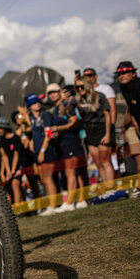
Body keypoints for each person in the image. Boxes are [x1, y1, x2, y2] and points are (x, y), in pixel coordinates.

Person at [70, 76, 116, 197]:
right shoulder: (77, 99)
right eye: (77, 87)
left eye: (82, 86)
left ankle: (111, 189)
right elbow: (65, 110)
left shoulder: (99, 96)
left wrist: (107, 134)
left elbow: (108, 116)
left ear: (88, 85)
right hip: (89, 132)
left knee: (105, 161)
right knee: (98, 163)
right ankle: (106, 190)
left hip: (102, 129)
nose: (80, 89)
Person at [47, 83, 88, 211]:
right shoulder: (54, 110)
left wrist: (58, 128)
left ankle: (70, 203)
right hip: (62, 144)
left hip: (72, 141)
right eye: (50, 93)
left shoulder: (67, 106)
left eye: (55, 91)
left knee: (72, 171)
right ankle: (81, 200)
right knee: (73, 172)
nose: (53, 94)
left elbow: (74, 122)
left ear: (60, 92)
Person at [115, 61, 140, 197]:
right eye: (119, 74)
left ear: (134, 73)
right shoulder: (123, 87)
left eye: (124, 73)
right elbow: (129, 108)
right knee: (138, 155)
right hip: (132, 124)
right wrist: (125, 126)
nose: (121, 76)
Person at [24, 93, 58, 216]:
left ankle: (53, 206)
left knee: (48, 178)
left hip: (46, 150)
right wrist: (32, 141)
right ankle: (50, 204)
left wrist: (42, 151)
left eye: (38, 101)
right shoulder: (33, 117)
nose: (37, 104)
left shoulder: (46, 115)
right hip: (37, 151)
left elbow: (48, 134)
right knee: (43, 179)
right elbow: (33, 130)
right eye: (33, 103)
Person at [0, 118, 23, 204]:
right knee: (10, 188)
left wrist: (13, 170)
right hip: (8, 166)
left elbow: (16, 155)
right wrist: (6, 171)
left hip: (18, 164)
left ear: (5, 128)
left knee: (15, 184)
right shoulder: (0, 140)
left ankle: (18, 208)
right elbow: (4, 157)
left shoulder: (16, 138)